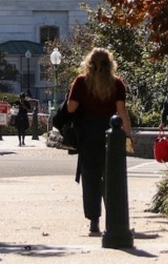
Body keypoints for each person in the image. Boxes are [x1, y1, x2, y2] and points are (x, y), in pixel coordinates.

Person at [65, 47, 133, 236]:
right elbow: (121, 111)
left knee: (90, 177)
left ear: (89, 63)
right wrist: (128, 135)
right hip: (111, 132)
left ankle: (94, 221)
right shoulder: (117, 83)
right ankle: (113, 218)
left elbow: (71, 108)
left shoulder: (80, 82)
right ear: (110, 64)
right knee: (111, 177)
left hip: (87, 133)